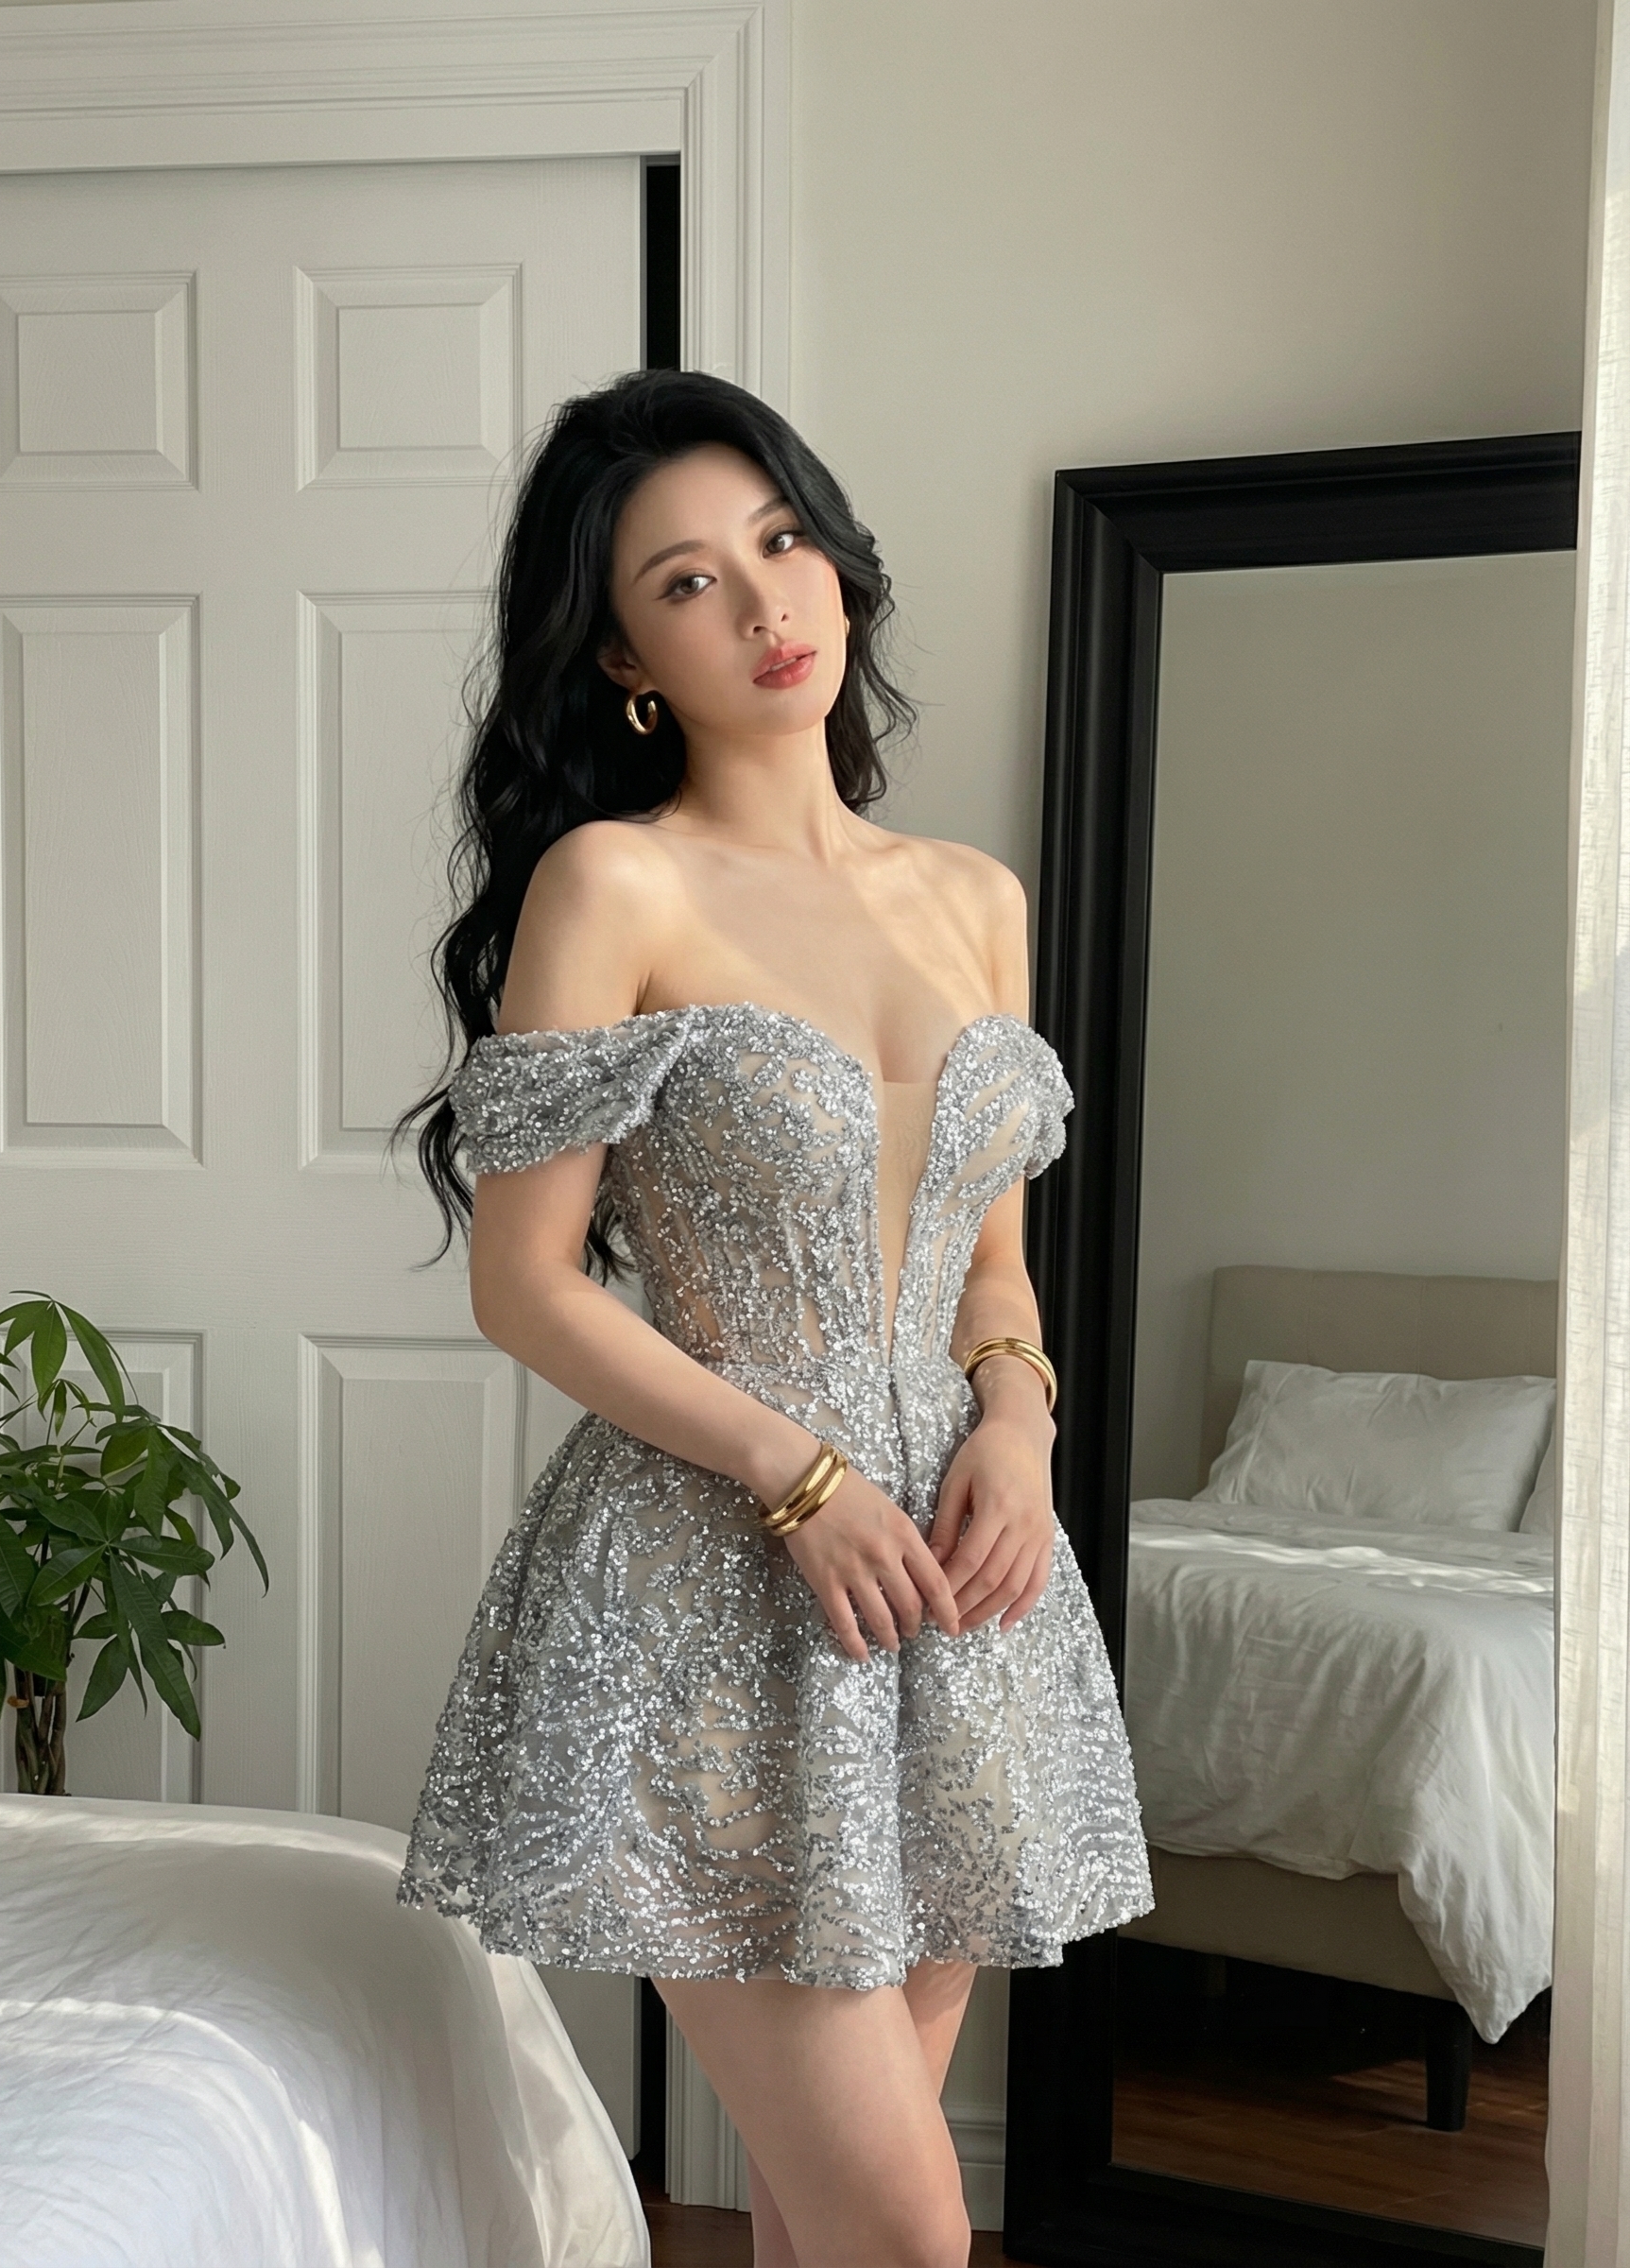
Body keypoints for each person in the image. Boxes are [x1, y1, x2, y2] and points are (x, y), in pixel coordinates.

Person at [397, 369, 1151, 2268]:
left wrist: (1016, 1425)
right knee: (901, 2232)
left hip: (956, 1593)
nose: (760, 606)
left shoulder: (973, 898)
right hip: (718, 1575)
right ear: (622, 656)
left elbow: (989, 1265)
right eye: (684, 583)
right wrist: (794, 1470)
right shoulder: (615, 878)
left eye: (779, 540)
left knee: (837, 2231)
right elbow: (522, 1281)